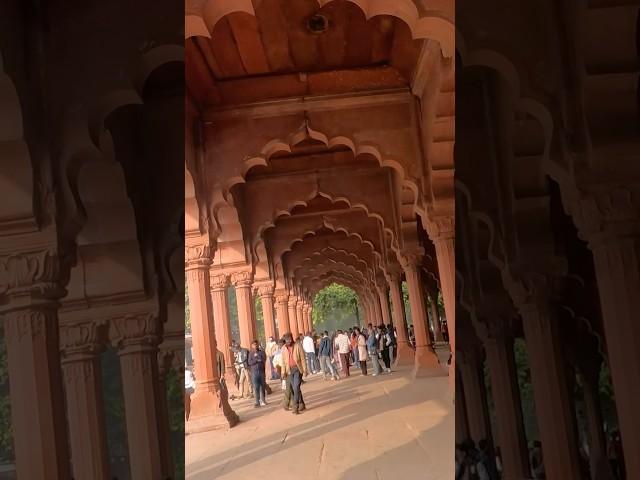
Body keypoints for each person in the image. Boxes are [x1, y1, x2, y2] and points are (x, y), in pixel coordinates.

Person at [280, 332, 308, 414]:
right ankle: (301, 404)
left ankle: (295, 407)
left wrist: (305, 370)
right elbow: (283, 361)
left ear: (292, 338)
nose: (288, 341)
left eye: (290, 339)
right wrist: (283, 372)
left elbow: (303, 358)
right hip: (289, 371)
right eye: (287, 340)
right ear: (285, 340)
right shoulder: (284, 349)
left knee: (296, 387)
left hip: (297, 369)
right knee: (295, 388)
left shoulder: (298, 345)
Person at [247, 340, 267, 407]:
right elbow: (249, 362)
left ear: (258, 345)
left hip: (261, 371)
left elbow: (264, 359)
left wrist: (259, 358)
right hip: (254, 372)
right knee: (256, 387)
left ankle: (263, 400)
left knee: (262, 386)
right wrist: (256, 359)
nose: (255, 346)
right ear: (252, 346)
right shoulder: (250, 353)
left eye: (256, 344)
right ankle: (257, 402)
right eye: (253, 345)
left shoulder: (261, 352)